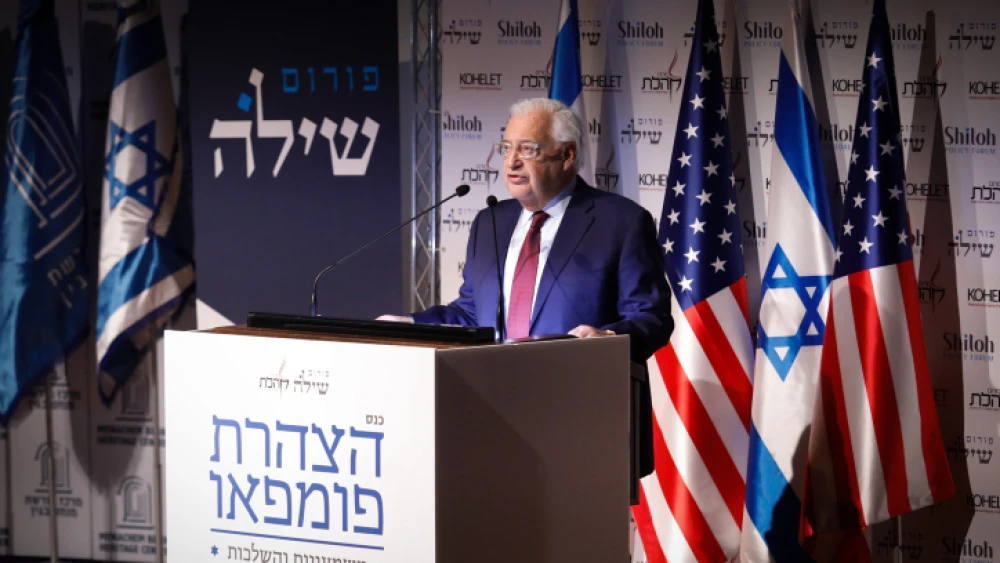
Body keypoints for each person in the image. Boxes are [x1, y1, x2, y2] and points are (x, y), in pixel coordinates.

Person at [379, 97, 673, 476]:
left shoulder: (620, 222)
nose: (511, 161)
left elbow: (651, 316)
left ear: (567, 155)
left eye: (527, 149)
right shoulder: (490, 223)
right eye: (506, 148)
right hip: (490, 412)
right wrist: (412, 325)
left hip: (580, 417)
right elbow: (472, 313)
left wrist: (609, 339)